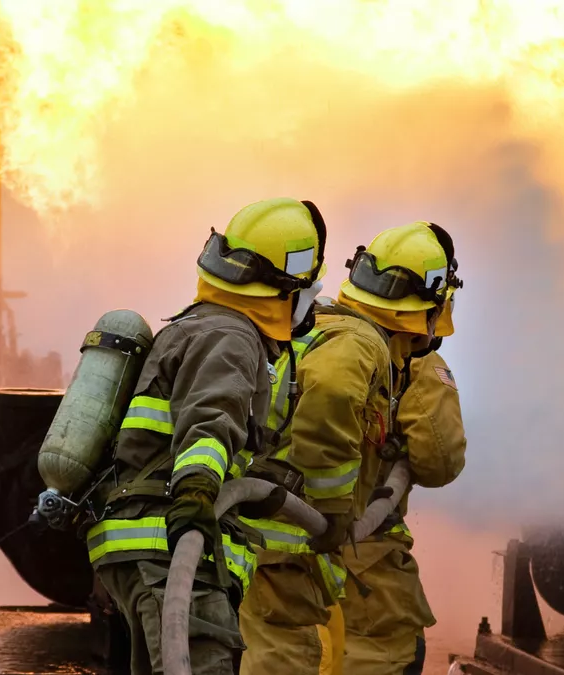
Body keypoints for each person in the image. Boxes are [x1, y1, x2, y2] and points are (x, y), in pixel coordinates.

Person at [85, 197, 328, 675]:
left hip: (144, 539)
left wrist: (256, 482)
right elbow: (209, 422)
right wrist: (199, 490)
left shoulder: (196, 325)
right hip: (172, 546)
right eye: (306, 292)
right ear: (284, 291)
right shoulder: (232, 337)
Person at [239, 221, 461, 675]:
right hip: (350, 546)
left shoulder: (303, 328)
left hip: (261, 539)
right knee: (371, 648)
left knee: (273, 652)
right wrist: (334, 503)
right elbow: (439, 461)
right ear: (429, 304)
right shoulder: (393, 356)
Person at [337, 290, 466, 675]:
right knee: (384, 652)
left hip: (272, 558)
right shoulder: (419, 366)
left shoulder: (312, 337)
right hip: (365, 564)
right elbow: (440, 461)